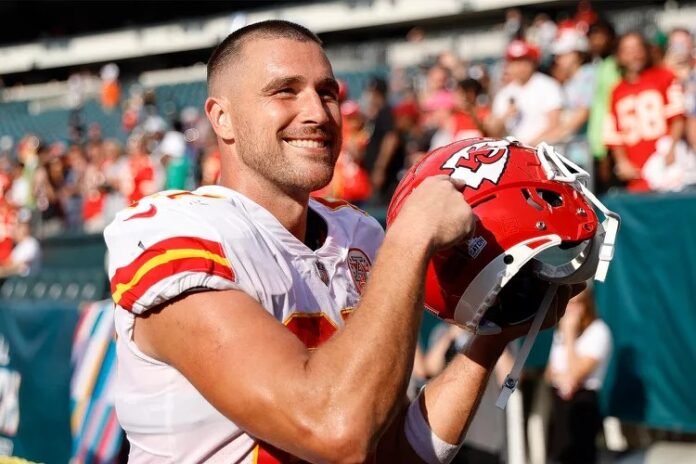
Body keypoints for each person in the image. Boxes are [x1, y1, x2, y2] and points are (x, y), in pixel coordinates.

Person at [104, 20, 578, 463]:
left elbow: (394, 451)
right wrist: (410, 237)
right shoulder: (174, 232)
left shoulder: (358, 235)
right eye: (285, 91)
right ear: (222, 118)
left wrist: (492, 337)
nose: (318, 112)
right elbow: (333, 431)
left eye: (327, 92)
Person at [604, 32, 685, 192]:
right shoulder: (616, 91)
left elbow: (678, 117)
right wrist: (622, 162)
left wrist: (672, 149)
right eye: (627, 50)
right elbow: (614, 134)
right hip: (638, 173)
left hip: (666, 166)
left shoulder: (664, 76)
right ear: (619, 56)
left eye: (637, 48)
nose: (633, 54)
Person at [545, 288, 612, 464]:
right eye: (568, 304)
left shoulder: (598, 332)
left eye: (576, 304)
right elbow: (550, 374)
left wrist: (569, 335)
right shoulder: (560, 333)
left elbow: (575, 373)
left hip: (583, 403)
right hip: (560, 404)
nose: (570, 310)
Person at [490, 39, 563, 146]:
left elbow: (554, 125)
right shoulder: (504, 93)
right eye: (514, 62)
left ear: (533, 63)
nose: (519, 67)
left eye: (523, 62)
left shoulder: (548, 86)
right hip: (514, 152)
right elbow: (493, 131)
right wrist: (505, 115)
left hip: (543, 150)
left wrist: (528, 146)